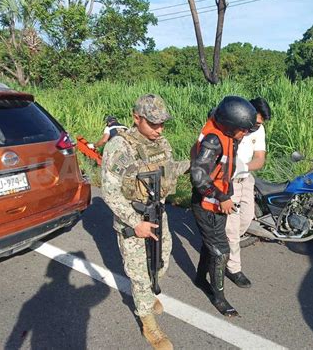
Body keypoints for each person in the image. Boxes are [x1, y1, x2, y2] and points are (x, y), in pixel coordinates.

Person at [101, 94, 189, 350]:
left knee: (161, 261)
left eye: (162, 124)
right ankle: (148, 322)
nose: (159, 129)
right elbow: (110, 191)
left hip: (158, 214)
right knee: (139, 274)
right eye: (153, 124)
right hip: (134, 221)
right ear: (136, 118)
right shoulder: (118, 147)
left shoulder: (160, 142)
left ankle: (149, 295)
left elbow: (168, 169)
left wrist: (194, 165)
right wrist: (134, 222)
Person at [190, 95, 257, 317]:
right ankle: (218, 298)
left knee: (211, 243)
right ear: (229, 125)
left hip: (217, 202)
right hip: (207, 203)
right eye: (243, 130)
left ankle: (200, 279)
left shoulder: (228, 134)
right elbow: (199, 176)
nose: (246, 133)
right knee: (221, 251)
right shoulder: (214, 140)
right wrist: (222, 196)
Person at [224, 97, 272, 288]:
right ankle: (233, 268)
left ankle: (222, 244)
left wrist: (243, 166)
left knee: (247, 217)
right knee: (232, 228)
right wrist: (230, 170)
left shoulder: (258, 129)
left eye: (259, 124)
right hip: (229, 181)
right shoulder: (233, 124)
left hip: (246, 178)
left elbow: (260, 159)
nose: (256, 127)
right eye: (255, 123)